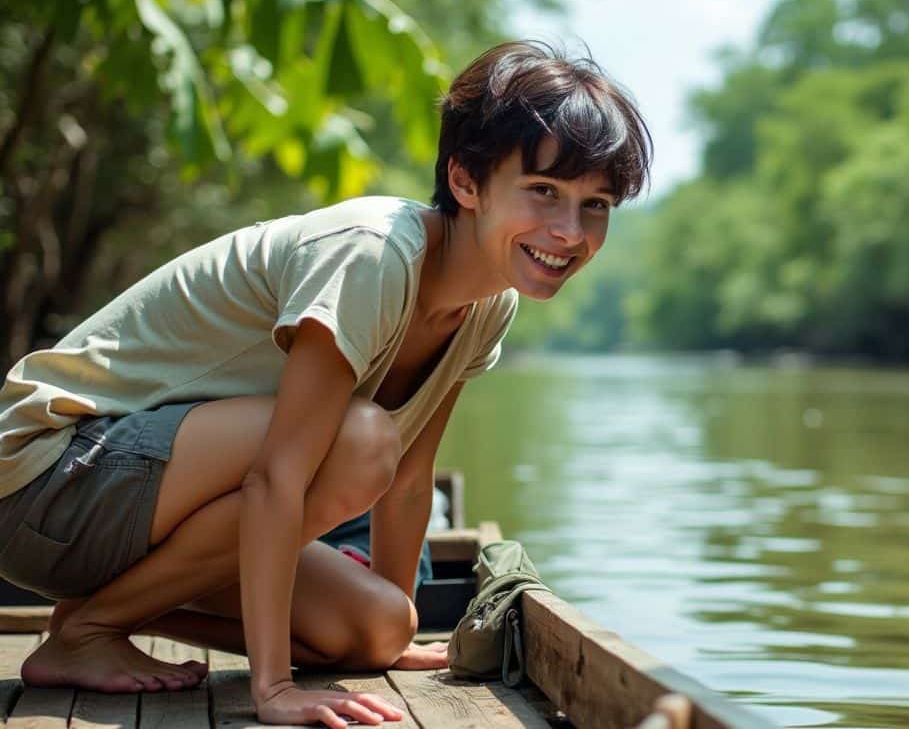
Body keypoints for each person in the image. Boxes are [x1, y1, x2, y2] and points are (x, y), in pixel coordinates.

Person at [0, 40, 651, 728]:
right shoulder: (373, 254)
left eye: (596, 205)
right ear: (466, 182)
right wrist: (274, 688)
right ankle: (91, 631)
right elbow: (281, 475)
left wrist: (398, 631)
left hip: (126, 511)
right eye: (544, 192)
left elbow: (410, 479)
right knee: (359, 438)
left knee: (374, 623)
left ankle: (99, 616)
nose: (568, 231)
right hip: (44, 478)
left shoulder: (488, 304)